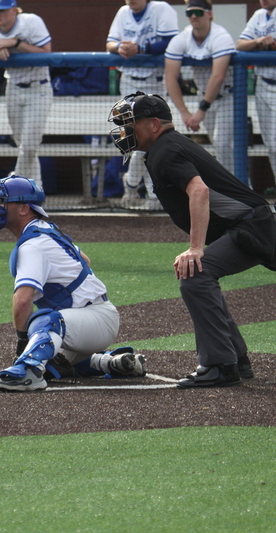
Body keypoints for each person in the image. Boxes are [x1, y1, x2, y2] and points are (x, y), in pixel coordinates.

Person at [108, 92, 269, 388]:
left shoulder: (165, 150)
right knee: (199, 276)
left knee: (196, 275)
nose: (125, 131)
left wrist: (196, 249)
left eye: (131, 124)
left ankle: (220, 365)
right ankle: (234, 357)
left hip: (254, 228)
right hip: (253, 225)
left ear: (154, 124)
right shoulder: (166, 146)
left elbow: (200, 191)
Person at [0, 176, 147, 392]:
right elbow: (85, 260)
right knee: (52, 363)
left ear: (23, 209)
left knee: (44, 322)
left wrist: (22, 343)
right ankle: (110, 363)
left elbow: (22, 301)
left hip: (92, 320)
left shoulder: (33, 244)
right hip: (87, 321)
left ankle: (29, 374)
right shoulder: (45, 229)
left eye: (0, 202)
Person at [107, 0, 178, 210]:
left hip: (154, 82)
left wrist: (142, 48)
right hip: (128, 80)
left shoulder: (161, 9)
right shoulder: (122, 12)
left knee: (153, 139)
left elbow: (172, 41)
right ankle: (139, 187)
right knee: (135, 140)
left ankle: (138, 186)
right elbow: (109, 43)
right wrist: (119, 47)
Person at [0, 0, 51, 191]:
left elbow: (46, 53)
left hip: (38, 87)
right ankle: (37, 192)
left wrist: (16, 43)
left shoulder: (31, 22)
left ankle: (14, 183)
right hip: (13, 87)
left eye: (2, 10)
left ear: (14, 10)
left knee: (29, 146)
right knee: (24, 146)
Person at [165, 0, 235, 172]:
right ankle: (239, 190)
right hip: (203, 96)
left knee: (223, 143)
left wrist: (201, 110)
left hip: (228, 96)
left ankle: (241, 192)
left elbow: (218, 76)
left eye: (198, 12)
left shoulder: (220, 36)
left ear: (209, 14)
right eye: (190, 13)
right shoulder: (182, 38)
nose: (194, 17)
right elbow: (170, 77)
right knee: (219, 145)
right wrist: (184, 112)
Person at [237, 0, 276, 190]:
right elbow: (240, 45)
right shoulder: (260, 15)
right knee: (272, 145)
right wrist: (258, 42)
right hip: (264, 84)